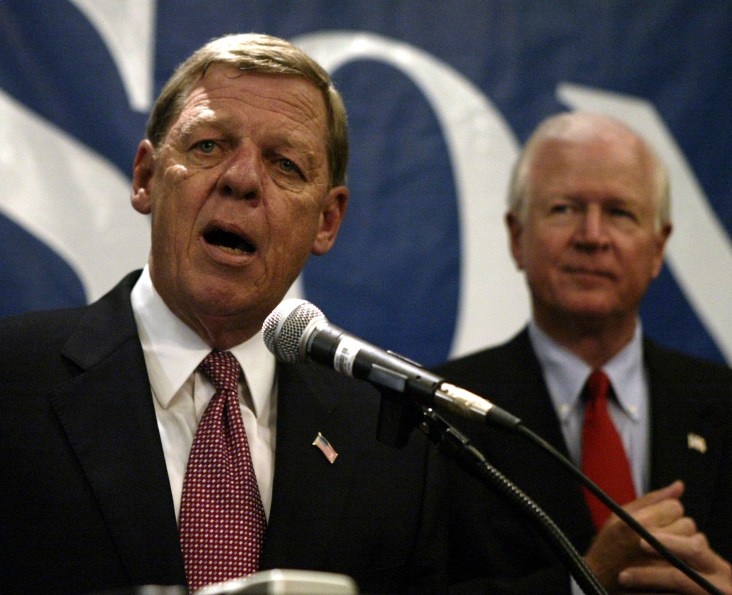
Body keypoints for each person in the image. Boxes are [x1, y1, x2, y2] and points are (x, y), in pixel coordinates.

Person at [0, 33, 447, 594]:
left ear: (327, 221)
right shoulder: (11, 381)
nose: (241, 179)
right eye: (208, 146)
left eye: (285, 164)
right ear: (146, 177)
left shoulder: (389, 438)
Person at [437, 112, 732, 594]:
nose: (592, 236)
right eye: (565, 209)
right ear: (516, 237)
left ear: (658, 248)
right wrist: (584, 581)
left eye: (619, 213)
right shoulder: (436, 415)